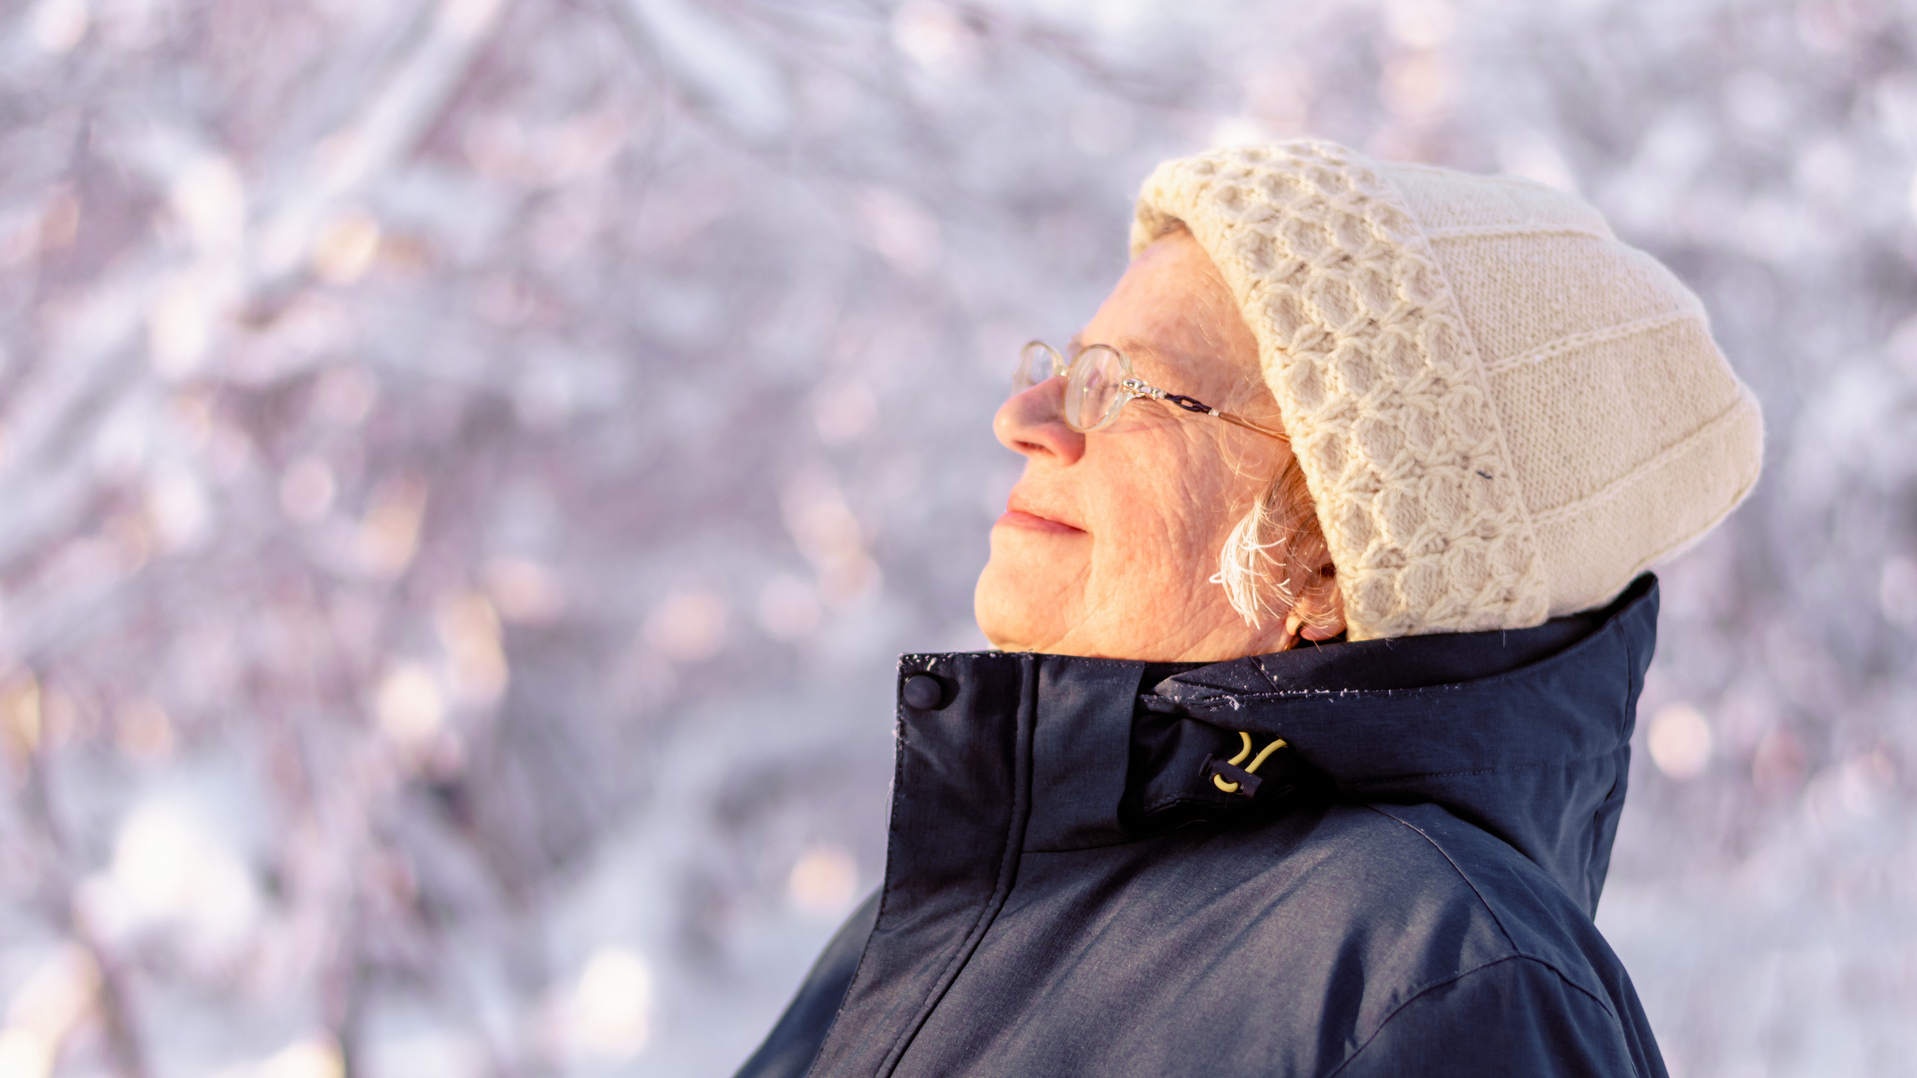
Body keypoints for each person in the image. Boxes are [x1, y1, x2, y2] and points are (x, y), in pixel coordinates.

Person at [735, 139, 1763, 1077]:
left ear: (1325, 556)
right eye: (1060, 364)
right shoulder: (963, 899)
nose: (1024, 417)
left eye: (1119, 386)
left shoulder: (1433, 978)